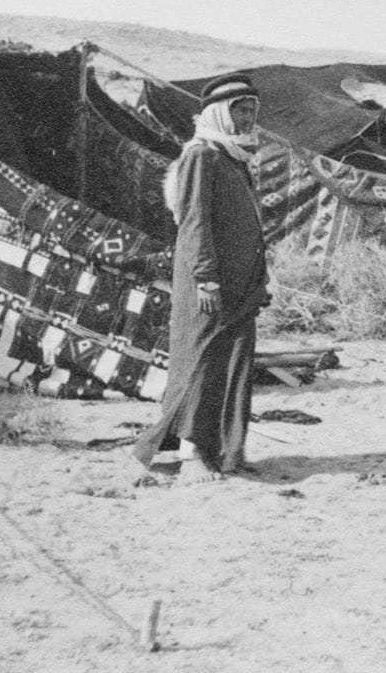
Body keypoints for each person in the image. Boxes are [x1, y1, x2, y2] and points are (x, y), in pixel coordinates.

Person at [134, 73, 270, 484]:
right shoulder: (202, 156)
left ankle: (229, 453)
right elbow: (195, 223)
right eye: (239, 109)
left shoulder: (234, 156)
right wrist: (206, 278)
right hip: (208, 282)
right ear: (219, 114)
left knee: (236, 364)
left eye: (250, 109)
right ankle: (193, 453)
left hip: (240, 283)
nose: (247, 117)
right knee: (201, 362)